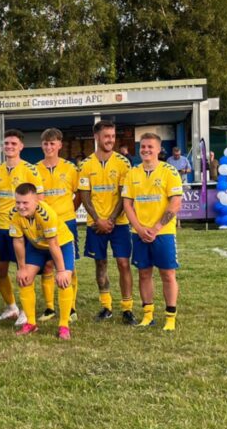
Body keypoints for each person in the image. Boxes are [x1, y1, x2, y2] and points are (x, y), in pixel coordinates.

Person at [123, 133, 184, 332]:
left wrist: (156, 228)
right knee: (144, 273)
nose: (146, 150)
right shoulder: (133, 173)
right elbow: (127, 204)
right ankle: (148, 315)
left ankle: (170, 317)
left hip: (163, 233)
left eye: (150, 147)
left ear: (159, 150)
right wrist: (140, 229)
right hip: (139, 233)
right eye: (143, 147)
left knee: (167, 274)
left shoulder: (169, 171)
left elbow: (175, 203)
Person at [79, 120, 136, 324]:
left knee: (123, 263)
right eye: (106, 136)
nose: (110, 140)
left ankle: (127, 309)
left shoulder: (123, 162)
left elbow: (124, 194)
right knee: (100, 263)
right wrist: (98, 220)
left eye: (112, 136)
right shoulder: (85, 164)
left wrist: (110, 219)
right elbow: (85, 196)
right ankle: (106, 306)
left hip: (118, 223)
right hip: (95, 224)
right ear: (96, 137)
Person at [0, 129, 43, 325]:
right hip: (1, 227)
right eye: (7, 143)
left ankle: (25, 310)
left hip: (22, 229)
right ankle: (12, 306)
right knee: (0, 271)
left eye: (13, 143)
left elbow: (40, 199)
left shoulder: (30, 169)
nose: (9, 147)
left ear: (21, 146)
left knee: (23, 270)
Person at [10, 183, 75, 339]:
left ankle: (64, 325)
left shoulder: (46, 213)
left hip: (61, 244)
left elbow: (53, 244)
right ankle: (31, 323)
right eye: (18, 202)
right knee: (24, 279)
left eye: (25, 202)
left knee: (64, 280)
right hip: (37, 246)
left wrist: (60, 271)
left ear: (36, 201)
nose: (21, 206)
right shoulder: (14, 214)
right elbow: (18, 242)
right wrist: (22, 268)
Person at [36, 128, 80, 324]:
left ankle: (70, 307)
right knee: (47, 265)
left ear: (60, 145)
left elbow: (78, 194)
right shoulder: (34, 169)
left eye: (52, 143)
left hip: (66, 222)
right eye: (46, 144)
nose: (49, 147)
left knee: (69, 267)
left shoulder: (71, 168)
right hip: (44, 224)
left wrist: (69, 211)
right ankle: (49, 307)